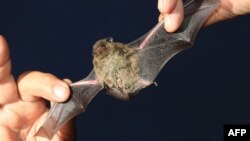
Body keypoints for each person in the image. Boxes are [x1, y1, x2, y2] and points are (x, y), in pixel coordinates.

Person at [0, 0, 249, 140]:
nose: (101, 51)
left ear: (110, 44)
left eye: (103, 47)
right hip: (119, 85)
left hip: (136, 76)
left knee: (162, 31)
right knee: (66, 93)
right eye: (97, 52)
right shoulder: (94, 77)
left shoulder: (129, 50)